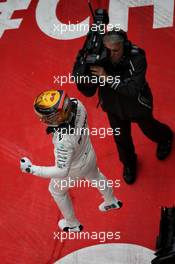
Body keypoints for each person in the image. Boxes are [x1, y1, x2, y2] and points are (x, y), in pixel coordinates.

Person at [77, 29, 173, 185]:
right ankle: (129, 163)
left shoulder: (137, 58)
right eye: (108, 50)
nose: (111, 54)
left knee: (149, 129)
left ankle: (166, 136)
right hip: (113, 105)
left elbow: (133, 90)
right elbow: (89, 91)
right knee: (121, 138)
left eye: (115, 50)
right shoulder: (101, 58)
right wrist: (83, 75)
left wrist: (106, 77)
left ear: (124, 46)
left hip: (137, 104)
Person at [20, 89, 122, 232]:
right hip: (89, 153)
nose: (43, 120)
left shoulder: (63, 140)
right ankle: (112, 201)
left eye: (46, 117)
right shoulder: (77, 104)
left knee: (56, 190)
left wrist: (31, 169)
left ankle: (72, 223)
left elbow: (61, 171)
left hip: (75, 169)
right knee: (96, 175)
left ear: (57, 117)